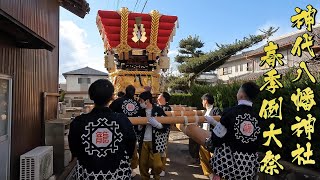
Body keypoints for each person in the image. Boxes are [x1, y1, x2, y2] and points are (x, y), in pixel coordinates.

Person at [68, 79, 136, 179]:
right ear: (112, 97)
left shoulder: (79, 122)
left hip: (88, 173)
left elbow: (75, 149)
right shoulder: (122, 120)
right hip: (118, 173)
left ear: (91, 97)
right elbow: (130, 144)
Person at [204, 81, 261, 179]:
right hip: (248, 167)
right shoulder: (258, 117)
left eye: (238, 91)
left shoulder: (230, 112)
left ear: (242, 95)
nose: (237, 93)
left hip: (226, 165)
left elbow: (217, 138)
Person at [136, 91, 170, 180]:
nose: (140, 102)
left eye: (141, 100)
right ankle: (145, 177)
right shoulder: (140, 111)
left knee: (157, 164)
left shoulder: (158, 110)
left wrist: (158, 125)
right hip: (143, 140)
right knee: (143, 163)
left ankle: (156, 177)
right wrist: (140, 126)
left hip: (156, 141)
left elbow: (166, 125)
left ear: (147, 101)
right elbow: (137, 129)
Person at [109, 85, 141, 177]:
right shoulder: (136, 104)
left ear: (125, 91)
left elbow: (109, 111)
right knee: (131, 151)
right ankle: (129, 170)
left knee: (118, 151)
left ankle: (118, 169)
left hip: (117, 132)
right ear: (134, 93)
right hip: (132, 132)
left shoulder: (118, 101)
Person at [199, 93, 221, 179]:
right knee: (203, 156)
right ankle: (209, 174)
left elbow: (220, 124)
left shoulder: (216, 110)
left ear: (206, 101)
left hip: (213, 138)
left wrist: (212, 121)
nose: (202, 102)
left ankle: (216, 174)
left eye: (202, 100)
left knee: (214, 157)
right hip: (203, 137)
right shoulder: (204, 111)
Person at [156, 92, 172, 177]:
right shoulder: (156, 106)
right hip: (155, 132)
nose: (158, 96)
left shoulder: (167, 108)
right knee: (155, 151)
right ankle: (156, 167)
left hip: (162, 132)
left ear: (163, 98)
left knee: (162, 151)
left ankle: (162, 168)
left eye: (160, 95)